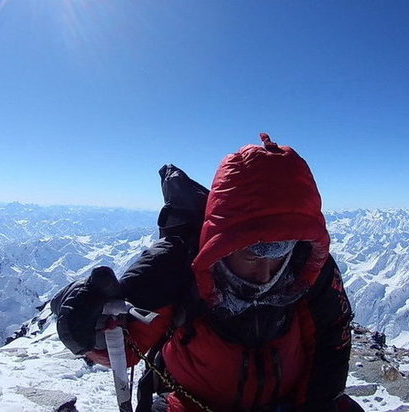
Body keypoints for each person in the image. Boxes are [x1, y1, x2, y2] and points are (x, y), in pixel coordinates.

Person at [52, 134, 363, 411]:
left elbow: (332, 337)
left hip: (290, 400)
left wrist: (316, 404)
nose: (266, 273)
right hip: (190, 402)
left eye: (280, 253)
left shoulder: (308, 266)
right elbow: (121, 340)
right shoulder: (179, 263)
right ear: (225, 244)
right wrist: (86, 327)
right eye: (254, 255)